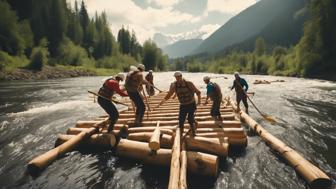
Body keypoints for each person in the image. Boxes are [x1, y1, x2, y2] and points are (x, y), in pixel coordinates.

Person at [157, 71, 201, 136]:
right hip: (183, 105)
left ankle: (194, 132)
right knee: (181, 121)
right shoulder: (175, 85)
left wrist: (199, 102)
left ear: (181, 76)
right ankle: (181, 133)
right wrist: (162, 101)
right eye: (176, 77)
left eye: (178, 77)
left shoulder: (188, 83)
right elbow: (169, 94)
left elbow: (198, 92)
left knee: (190, 119)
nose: (177, 79)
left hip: (191, 104)